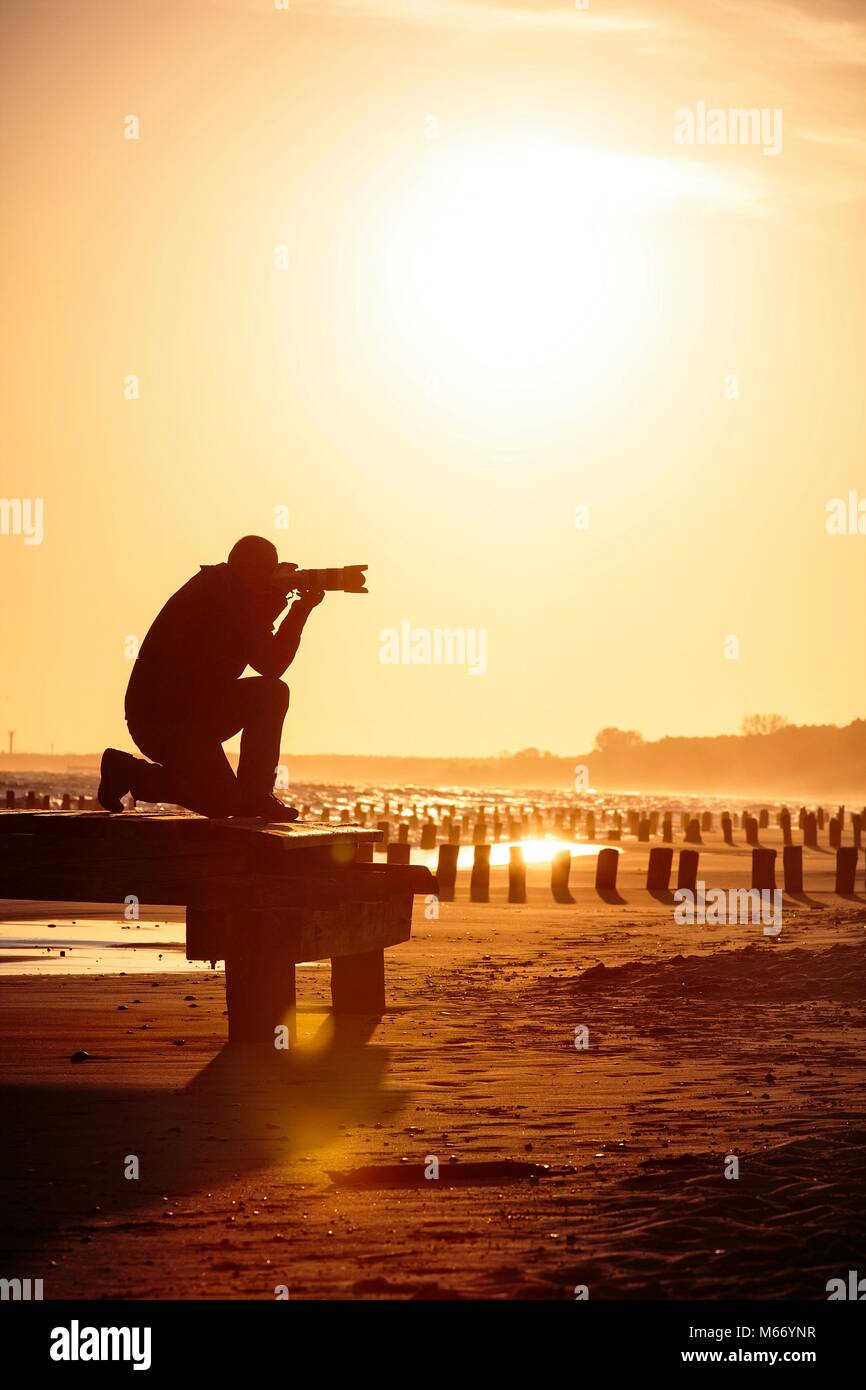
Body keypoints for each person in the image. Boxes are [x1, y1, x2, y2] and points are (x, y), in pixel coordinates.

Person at [97, 535, 324, 820]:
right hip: (163, 722)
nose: (272, 579)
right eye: (268, 572)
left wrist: (298, 609)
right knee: (228, 802)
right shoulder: (219, 594)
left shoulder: (237, 595)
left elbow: (271, 664)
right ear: (247, 569)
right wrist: (279, 599)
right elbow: (268, 661)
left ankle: (255, 795)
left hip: (196, 715)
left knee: (271, 693)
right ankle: (129, 772)